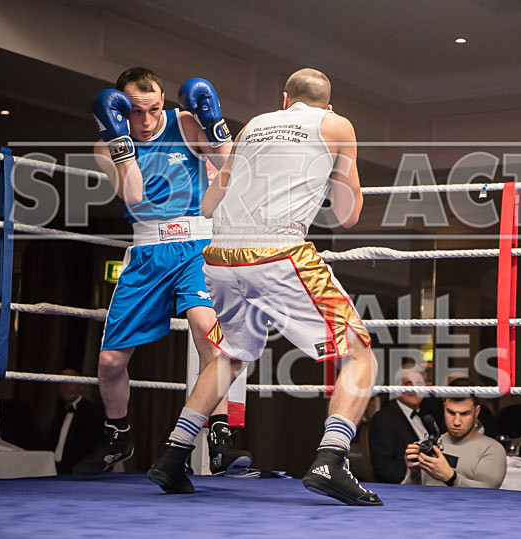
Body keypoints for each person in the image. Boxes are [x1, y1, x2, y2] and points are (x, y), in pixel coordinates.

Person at [146, 68, 383, 506]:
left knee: (231, 355)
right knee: (360, 351)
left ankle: (173, 455)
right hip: (279, 253)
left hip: (218, 257)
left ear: (284, 99)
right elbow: (348, 215)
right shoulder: (336, 124)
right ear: (326, 105)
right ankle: (331, 458)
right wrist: (335, 174)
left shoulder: (255, 125)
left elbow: (209, 202)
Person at [75, 67, 250, 475]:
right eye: (136, 112)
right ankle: (118, 435)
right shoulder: (105, 147)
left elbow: (230, 168)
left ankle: (220, 436)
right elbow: (135, 195)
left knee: (210, 334)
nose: (149, 120)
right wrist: (120, 141)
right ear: (119, 110)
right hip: (147, 251)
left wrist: (215, 124)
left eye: (155, 109)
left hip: (196, 246)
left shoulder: (185, 123)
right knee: (111, 363)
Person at [402, 379, 506, 488]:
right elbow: (405, 494)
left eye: (464, 414)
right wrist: (414, 474)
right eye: (451, 412)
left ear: (477, 412)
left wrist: (451, 478)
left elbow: (488, 495)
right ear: (444, 408)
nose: (456, 422)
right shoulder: (427, 446)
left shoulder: (492, 449)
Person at [369, 368, 436, 483]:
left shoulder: (430, 414)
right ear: (397, 390)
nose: (414, 388)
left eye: (419, 384)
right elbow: (384, 468)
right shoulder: (383, 419)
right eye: (408, 384)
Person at [48, 369, 105, 474]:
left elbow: (94, 447)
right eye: (62, 383)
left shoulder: (93, 412)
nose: (66, 387)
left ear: (81, 386)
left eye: (71, 382)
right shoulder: (59, 413)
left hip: (79, 473)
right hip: (55, 470)